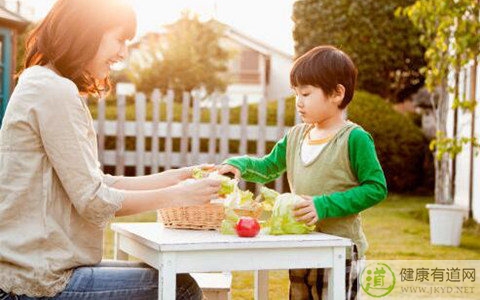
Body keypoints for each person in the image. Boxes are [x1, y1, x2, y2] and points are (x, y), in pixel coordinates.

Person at [0, 0, 221, 299]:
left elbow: (96, 183)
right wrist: (178, 196)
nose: (123, 53)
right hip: (37, 281)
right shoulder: (53, 90)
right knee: (179, 287)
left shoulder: (43, 84)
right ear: (86, 32)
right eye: (119, 39)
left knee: (167, 275)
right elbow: (93, 200)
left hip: (38, 268)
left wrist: (175, 178)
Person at [218, 45, 388, 299]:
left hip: (339, 250)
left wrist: (323, 205)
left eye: (306, 93)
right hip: (303, 244)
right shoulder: (296, 135)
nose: (298, 101)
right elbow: (267, 167)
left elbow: (376, 188)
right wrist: (240, 165)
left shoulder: (354, 138)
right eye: (296, 93)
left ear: (337, 93)